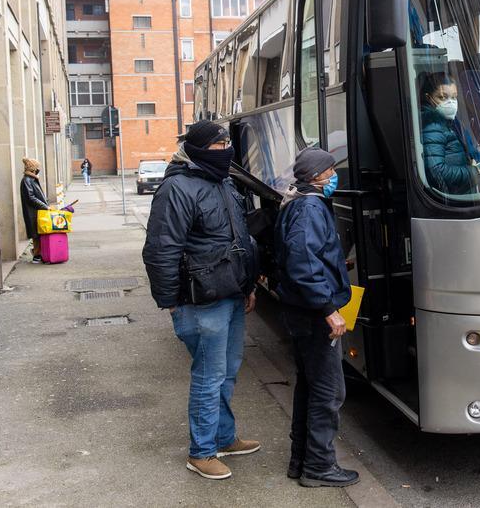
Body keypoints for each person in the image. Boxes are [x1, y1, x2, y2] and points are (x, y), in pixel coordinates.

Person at [142, 120, 259, 481]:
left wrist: (249, 285)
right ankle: (202, 451)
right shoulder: (177, 189)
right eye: (218, 145)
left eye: (227, 143)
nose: (226, 150)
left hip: (232, 293)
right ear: (196, 149)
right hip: (199, 300)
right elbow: (160, 251)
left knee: (227, 372)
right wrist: (171, 301)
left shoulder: (222, 182)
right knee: (209, 377)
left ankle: (224, 437)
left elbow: (241, 238)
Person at [274, 147, 358, 488]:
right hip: (313, 316)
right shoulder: (309, 208)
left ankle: (302, 461)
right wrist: (329, 310)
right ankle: (320, 468)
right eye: (330, 171)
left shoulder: (299, 203)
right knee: (328, 392)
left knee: (310, 388)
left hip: (302, 313)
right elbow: (302, 264)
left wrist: (338, 268)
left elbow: (310, 257)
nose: (334, 175)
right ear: (315, 177)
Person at [420, 73, 475, 194]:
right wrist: (472, 172)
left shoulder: (449, 122)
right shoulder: (432, 125)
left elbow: (451, 149)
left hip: (459, 192)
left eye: (454, 97)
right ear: (428, 98)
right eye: (443, 97)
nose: (451, 103)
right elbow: (436, 171)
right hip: (452, 197)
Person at [19, 158, 50, 264]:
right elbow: (31, 198)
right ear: (33, 169)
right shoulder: (27, 180)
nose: (38, 169)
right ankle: (36, 256)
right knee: (36, 235)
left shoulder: (31, 179)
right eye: (37, 167)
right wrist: (45, 206)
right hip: (33, 212)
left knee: (38, 234)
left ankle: (37, 254)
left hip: (36, 211)